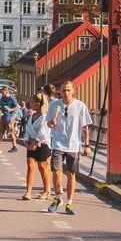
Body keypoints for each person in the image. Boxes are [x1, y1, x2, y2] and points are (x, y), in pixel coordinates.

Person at [46, 79, 93, 215]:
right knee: (56, 171)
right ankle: (57, 198)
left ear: (73, 91)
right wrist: (51, 123)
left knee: (71, 174)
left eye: (68, 90)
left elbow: (85, 127)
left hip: (73, 144)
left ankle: (70, 203)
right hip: (58, 143)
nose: (66, 93)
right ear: (60, 92)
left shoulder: (80, 106)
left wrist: (87, 145)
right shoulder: (55, 105)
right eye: (63, 90)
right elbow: (48, 124)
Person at [19, 93, 55, 200]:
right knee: (30, 167)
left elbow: (43, 133)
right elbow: (28, 130)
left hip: (42, 145)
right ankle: (28, 192)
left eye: (34, 102)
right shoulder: (32, 116)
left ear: (39, 104)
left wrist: (34, 143)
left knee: (43, 167)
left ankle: (46, 190)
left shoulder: (45, 117)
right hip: (30, 144)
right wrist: (26, 142)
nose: (31, 103)